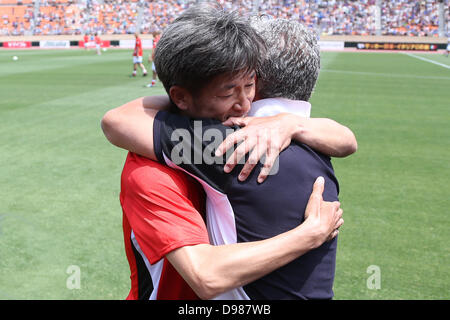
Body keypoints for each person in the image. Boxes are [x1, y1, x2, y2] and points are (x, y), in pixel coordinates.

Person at [102, 4, 347, 300]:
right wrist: (292, 123)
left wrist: (186, 101)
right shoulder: (318, 147)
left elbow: (117, 121)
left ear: (260, 79)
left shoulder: (222, 145)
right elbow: (349, 141)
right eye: (228, 91)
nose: (243, 103)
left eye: (249, 85)